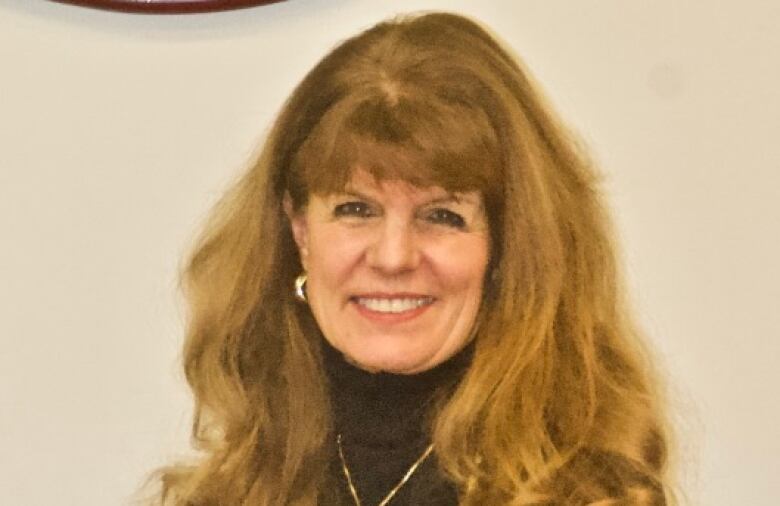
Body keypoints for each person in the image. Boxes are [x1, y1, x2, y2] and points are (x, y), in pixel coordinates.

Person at [155, 11, 672, 505]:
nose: (393, 257)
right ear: (300, 230)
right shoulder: (236, 488)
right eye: (355, 209)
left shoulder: (586, 496)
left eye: (442, 215)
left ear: (511, 250)